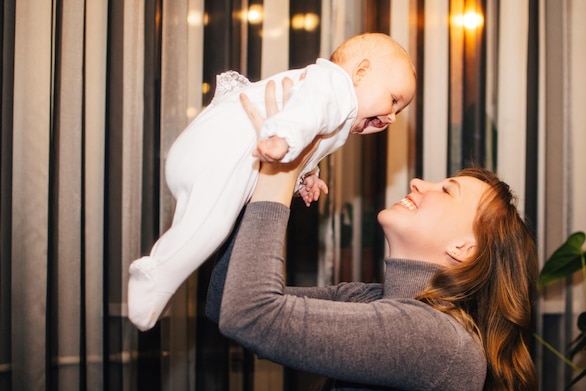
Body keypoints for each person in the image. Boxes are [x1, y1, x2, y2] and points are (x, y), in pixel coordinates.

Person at [205, 85, 538, 391]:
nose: (418, 183)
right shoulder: (370, 299)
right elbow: (226, 304)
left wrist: (281, 173)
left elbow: (250, 314)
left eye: (447, 191)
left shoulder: (436, 337)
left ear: (464, 248)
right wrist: (258, 188)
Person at [128, 32, 416, 331]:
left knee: (205, 225)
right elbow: (303, 115)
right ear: (361, 72)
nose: (392, 117)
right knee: (210, 226)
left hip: (212, 153)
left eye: (399, 110)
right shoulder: (333, 86)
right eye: (393, 99)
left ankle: (162, 275)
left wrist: (307, 174)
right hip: (222, 149)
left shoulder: (334, 110)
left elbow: (310, 134)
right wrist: (282, 141)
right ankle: (156, 274)